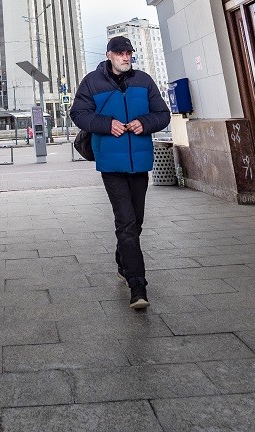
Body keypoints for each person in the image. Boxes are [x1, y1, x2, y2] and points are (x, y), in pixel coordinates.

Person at [71, 35, 171, 311]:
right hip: (111, 164)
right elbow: (78, 113)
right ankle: (137, 285)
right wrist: (106, 124)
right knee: (126, 221)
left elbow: (163, 114)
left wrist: (144, 122)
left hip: (140, 163)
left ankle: (122, 262)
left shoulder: (144, 81)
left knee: (136, 221)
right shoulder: (92, 82)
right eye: (120, 53)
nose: (126, 57)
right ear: (109, 55)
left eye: (129, 53)